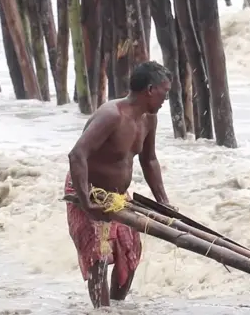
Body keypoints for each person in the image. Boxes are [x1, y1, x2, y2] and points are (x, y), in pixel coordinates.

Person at [65, 60, 175, 308]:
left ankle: (116, 307)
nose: (165, 100)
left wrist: (163, 203)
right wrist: (86, 202)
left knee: (129, 253)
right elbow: (77, 155)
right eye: (164, 92)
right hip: (87, 190)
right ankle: (102, 311)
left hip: (118, 197)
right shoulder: (111, 115)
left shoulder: (149, 120)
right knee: (98, 260)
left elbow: (150, 160)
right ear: (149, 89)